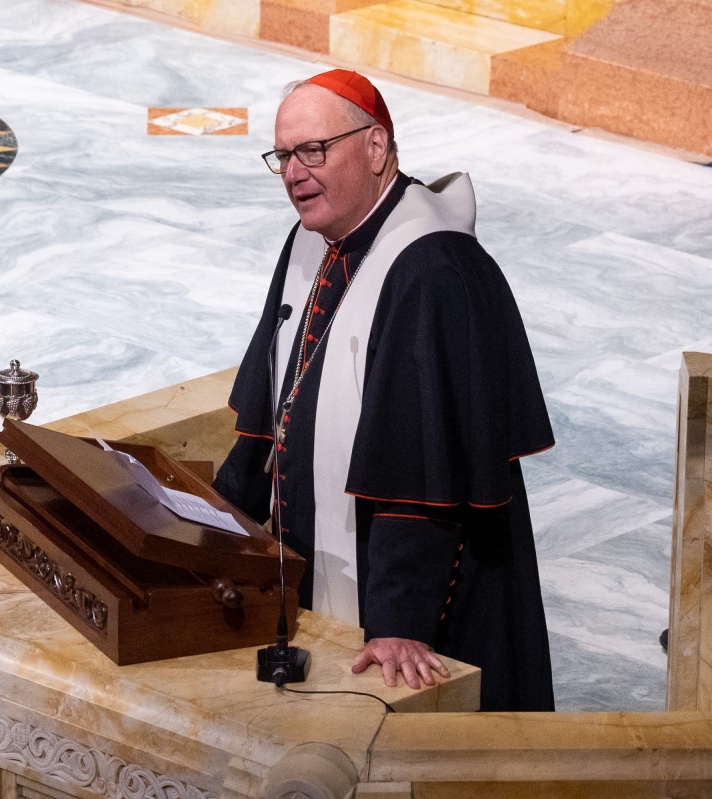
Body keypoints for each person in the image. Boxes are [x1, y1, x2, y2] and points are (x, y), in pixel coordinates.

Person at [213, 69, 556, 712]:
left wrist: (400, 621)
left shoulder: (434, 270)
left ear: (376, 148)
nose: (294, 174)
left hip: (430, 592)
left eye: (313, 151)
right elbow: (275, 411)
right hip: (324, 559)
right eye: (283, 156)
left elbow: (422, 473)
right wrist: (208, 524)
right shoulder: (313, 243)